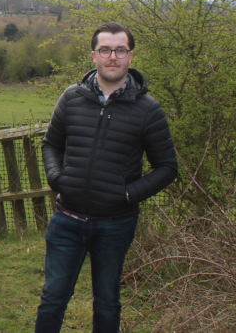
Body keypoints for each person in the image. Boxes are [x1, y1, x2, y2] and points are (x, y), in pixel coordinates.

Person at [34, 22, 178, 333]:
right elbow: (51, 144)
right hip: (67, 220)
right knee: (53, 297)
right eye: (105, 50)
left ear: (130, 56)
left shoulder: (148, 110)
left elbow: (167, 167)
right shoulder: (71, 98)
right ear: (94, 55)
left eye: (120, 50)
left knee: (108, 300)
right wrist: (58, 178)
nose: (112, 57)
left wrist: (127, 195)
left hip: (115, 224)